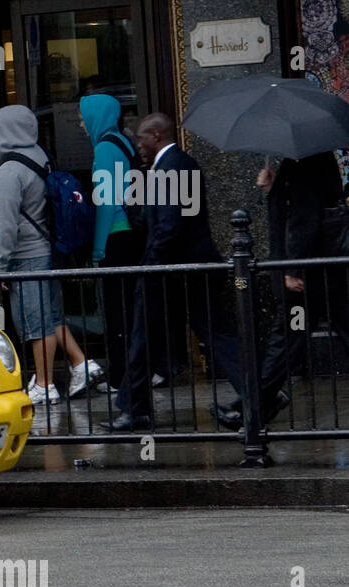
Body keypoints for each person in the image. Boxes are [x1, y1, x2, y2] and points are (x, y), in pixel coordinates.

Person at [103, 113, 245, 431]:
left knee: (159, 337)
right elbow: (151, 222)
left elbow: (170, 227)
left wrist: (151, 267)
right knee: (192, 336)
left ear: (156, 135)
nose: (137, 144)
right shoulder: (168, 167)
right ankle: (134, 406)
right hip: (181, 270)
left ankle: (135, 409)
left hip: (174, 271)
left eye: (141, 138)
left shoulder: (175, 166)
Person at [212, 152, 347, 430]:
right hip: (319, 275)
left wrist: (293, 269)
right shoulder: (307, 160)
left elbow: (305, 216)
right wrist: (274, 188)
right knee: (287, 342)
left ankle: (252, 412)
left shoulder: (305, 161)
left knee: (285, 342)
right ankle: (254, 410)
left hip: (307, 278)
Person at [0, 104, 103, 405]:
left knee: (36, 323)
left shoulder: (9, 171)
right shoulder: (41, 156)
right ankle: (81, 364)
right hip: (49, 249)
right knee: (51, 316)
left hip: (26, 256)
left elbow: (5, 223)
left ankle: (44, 384)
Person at [81, 93, 140, 395]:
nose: (80, 122)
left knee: (116, 311)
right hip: (130, 233)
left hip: (115, 235)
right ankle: (134, 371)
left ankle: (120, 377)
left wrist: (98, 248)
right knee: (128, 307)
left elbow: (105, 203)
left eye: (83, 115)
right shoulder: (124, 141)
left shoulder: (104, 147)